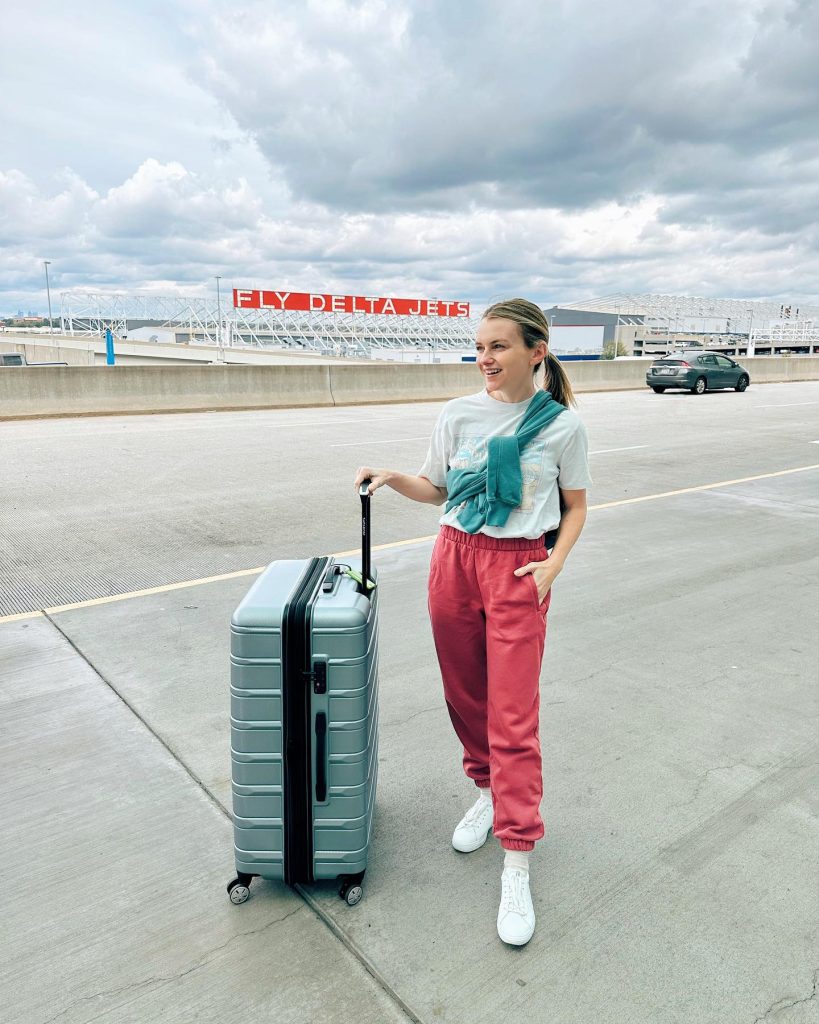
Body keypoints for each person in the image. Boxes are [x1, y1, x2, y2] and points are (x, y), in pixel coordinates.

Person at [353, 298, 591, 946]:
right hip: (454, 558)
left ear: (535, 351)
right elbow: (437, 489)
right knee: (465, 697)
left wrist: (554, 565)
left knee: (512, 716)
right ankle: (485, 791)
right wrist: (394, 476)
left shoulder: (561, 427)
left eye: (498, 346)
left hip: (518, 568)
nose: (484, 359)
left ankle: (517, 858)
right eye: (479, 347)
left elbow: (574, 508)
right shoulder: (457, 414)